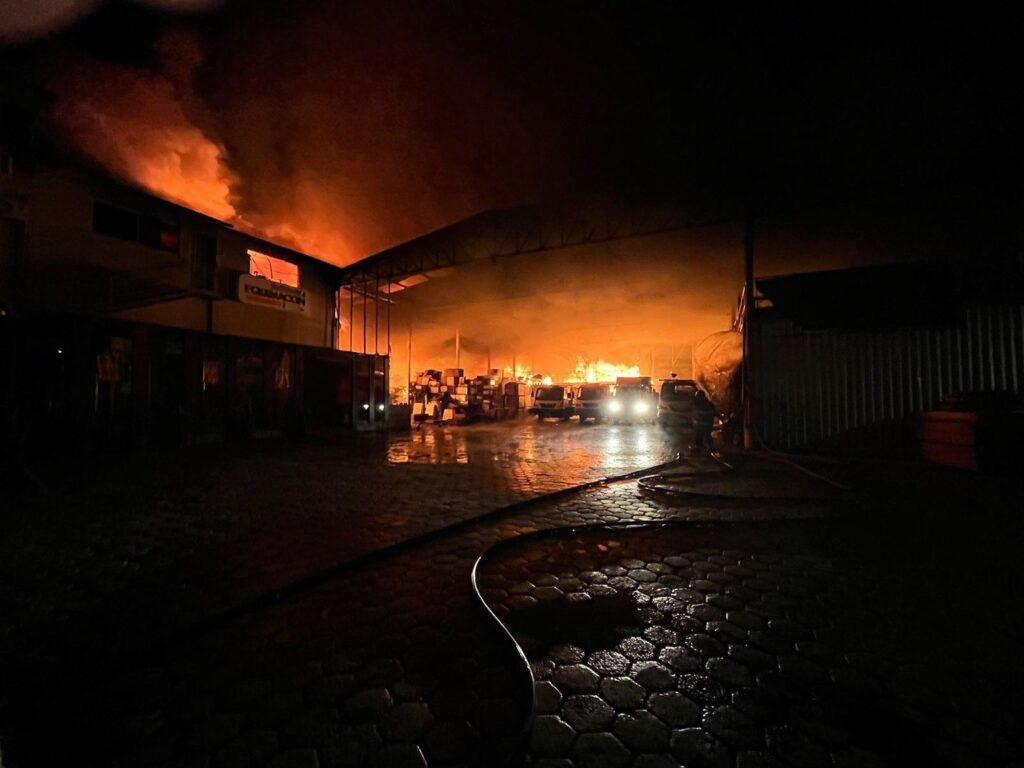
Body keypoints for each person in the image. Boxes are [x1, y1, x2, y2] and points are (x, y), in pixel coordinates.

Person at [693, 389, 716, 454]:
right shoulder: (709, 403)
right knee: (707, 435)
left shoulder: (698, 404)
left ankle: (698, 448)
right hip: (708, 424)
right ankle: (711, 447)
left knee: (699, 435)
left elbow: (695, 411)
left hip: (702, 423)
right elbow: (714, 412)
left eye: (697, 397)